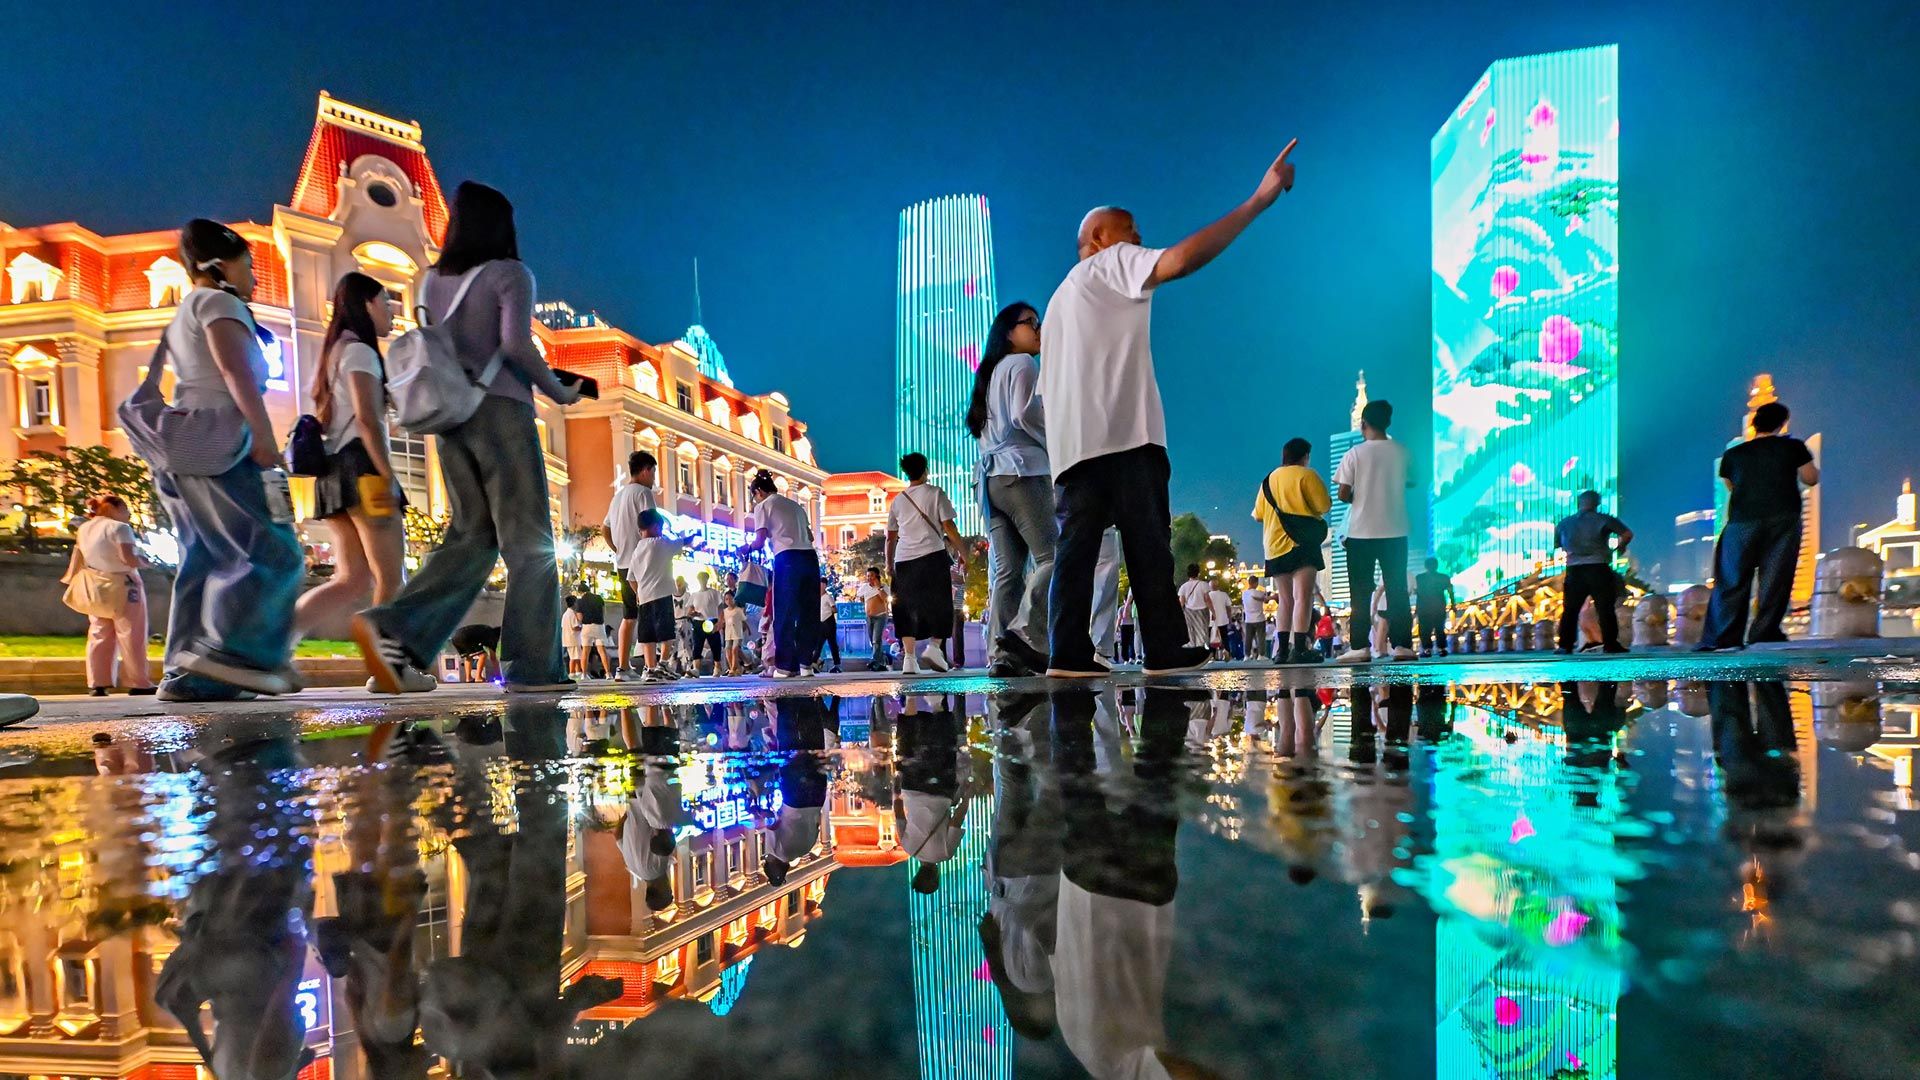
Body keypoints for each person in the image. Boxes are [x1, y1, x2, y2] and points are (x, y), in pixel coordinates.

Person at [1039, 141, 1297, 677]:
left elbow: (1046, 393)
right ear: (1098, 238)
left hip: (1073, 448)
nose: (1138, 238)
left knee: (1076, 550)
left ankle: (1066, 652)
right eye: (1129, 229)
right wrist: (1257, 201)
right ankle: (1162, 648)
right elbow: (1180, 260)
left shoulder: (1059, 300)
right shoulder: (1110, 263)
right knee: (1149, 546)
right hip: (1126, 435)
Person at [354, 182, 580, 694]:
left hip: (451, 417)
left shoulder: (431, 280)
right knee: (530, 544)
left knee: (472, 537)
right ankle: (533, 666)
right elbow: (515, 344)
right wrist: (558, 391)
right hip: (501, 412)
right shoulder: (511, 274)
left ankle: (396, 632)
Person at [143, 220, 306, 701]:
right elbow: (236, 372)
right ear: (219, 265)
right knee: (274, 551)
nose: (254, 277)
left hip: (183, 447)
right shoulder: (219, 302)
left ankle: (186, 672)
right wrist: (264, 435)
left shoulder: (186, 308)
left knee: (203, 558)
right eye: (248, 266)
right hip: (222, 443)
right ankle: (234, 656)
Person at [295, 272, 406, 647]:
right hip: (362, 470)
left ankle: (275, 641)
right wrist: (388, 475)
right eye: (386, 303)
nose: (392, 312)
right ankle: (387, 664)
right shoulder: (360, 352)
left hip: (333, 472)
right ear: (367, 305)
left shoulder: (335, 352)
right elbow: (367, 419)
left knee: (352, 579)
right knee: (391, 577)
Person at [967, 301, 1054, 676]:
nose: (1038, 329)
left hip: (990, 481)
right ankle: (1023, 634)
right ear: (1008, 332)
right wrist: (1055, 441)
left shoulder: (990, 373)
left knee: (1008, 571)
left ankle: (1000, 653)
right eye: (1030, 323)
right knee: (1054, 557)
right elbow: (1024, 413)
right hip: (1022, 471)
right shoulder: (1023, 363)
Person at [1700, 401, 1819, 650]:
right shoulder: (1793, 447)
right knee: (1775, 578)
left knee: (1731, 580)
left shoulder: (1734, 454)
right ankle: (1764, 633)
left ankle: (1723, 637)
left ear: (1754, 424)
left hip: (1741, 521)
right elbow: (1810, 478)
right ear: (1782, 423)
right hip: (1782, 518)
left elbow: (1731, 485)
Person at [1334, 400, 1415, 663]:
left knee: (1360, 591)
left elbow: (1343, 493)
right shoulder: (1402, 452)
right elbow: (1412, 481)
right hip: (1395, 529)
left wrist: (1362, 496)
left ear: (1363, 424)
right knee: (1397, 589)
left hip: (1361, 532)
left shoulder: (1354, 454)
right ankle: (1402, 646)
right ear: (1388, 422)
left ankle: (1360, 647)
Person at [63, 495, 156, 696]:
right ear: (115, 508)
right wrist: (145, 561)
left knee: (99, 633)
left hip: (96, 584)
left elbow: (78, 557)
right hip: (124, 584)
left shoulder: (84, 528)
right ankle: (139, 682)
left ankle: (98, 683)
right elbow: (128, 558)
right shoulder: (120, 528)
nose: (128, 514)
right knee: (132, 633)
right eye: (125, 509)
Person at [887, 453, 970, 676]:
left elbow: (890, 537)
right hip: (932, 555)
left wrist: (888, 564)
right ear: (925, 470)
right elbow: (949, 526)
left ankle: (909, 659)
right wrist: (964, 553)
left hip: (903, 560)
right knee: (940, 603)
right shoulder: (935, 493)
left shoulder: (898, 500)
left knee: (905, 608)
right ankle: (934, 647)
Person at [1252, 436, 1334, 665]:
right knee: (1303, 597)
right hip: (1302, 544)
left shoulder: (1267, 481)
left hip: (1274, 546)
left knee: (1285, 600)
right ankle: (1299, 649)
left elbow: (1258, 515)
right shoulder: (1307, 475)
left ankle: (1281, 652)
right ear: (1305, 456)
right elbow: (1324, 506)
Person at [740, 469, 823, 678]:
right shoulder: (796, 506)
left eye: (754, 496)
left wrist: (746, 548)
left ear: (758, 492)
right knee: (808, 612)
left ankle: (785, 667)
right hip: (809, 558)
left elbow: (759, 542)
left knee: (784, 612)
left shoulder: (763, 505)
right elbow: (810, 537)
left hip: (787, 558)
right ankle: (806, 664)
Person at [1554, 492, 1633, 655]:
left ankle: (1565, 645)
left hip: (1574, 569)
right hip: (1599, 567)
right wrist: (1620, 547)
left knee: (1570, 609)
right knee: (1605, 608)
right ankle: (1610, 644)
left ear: (1579, 503)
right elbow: (1627, 534)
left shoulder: (1564, 523)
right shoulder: (1604, 519)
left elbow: (1559, 546)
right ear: (1597, 503)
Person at [604, 451, 660, 678]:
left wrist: (617, 549)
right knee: (649, 613)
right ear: (645, 470)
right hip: (643, 563)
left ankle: (623, 667)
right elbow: (652, 525)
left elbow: (605, 528)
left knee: (629, 616)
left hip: (623, 563)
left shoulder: (618, 496)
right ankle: (651, 667)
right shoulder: (644, 493)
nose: (654, 478)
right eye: (653, 472)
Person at [623, 510, 690, 682]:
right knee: (667, 633)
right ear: (655, 527)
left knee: (648, 635)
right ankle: (663, 664)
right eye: (661, 527)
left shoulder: (637, 550)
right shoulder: (662, 543)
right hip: (662, 595)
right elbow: (683, 542)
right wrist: (693, 537)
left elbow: (631, 578)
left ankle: (650, 668)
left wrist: (638, 593)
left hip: (644, 599)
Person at [1413, 557, 1457, 657]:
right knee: (1439, 628)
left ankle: (1427, 650)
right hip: (1439, 606)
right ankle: (1442, 649)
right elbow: (1450, 592)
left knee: (1424, 629)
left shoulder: (1419, 578)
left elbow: (1416, 593)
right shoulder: (1444, 577)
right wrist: (1453, 605)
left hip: (1423, 607)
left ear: (1425, 566)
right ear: (1437, 565)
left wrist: (1416, 609)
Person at [685, 571, 724, 675]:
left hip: (711, 620)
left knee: (715, 645)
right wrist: (693, 613)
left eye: (704, 578)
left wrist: (720, 622)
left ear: (707, 579)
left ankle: (717, 667)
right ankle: (696, 669)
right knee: (697, 645)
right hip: (698, 622)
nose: (702, 580)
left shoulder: (714, 593)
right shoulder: (694, 595)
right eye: (700, 578)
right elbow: (689, 610)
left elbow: (721, 608)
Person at [858, 567, 891, 671]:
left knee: (876, 640)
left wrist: (878, 587)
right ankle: (882, 661)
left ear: (877, 576)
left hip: (880, 616)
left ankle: (874, 660)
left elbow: (886, 599)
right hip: (869, 617)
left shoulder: (884, 587)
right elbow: (861, 597)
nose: (869, 578)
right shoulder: (864, 587)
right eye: (868, 576)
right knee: (872, 640)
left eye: (871, 575)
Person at [575, 587, 612, 678]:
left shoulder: (580, 601)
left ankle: (584, 674)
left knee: (585, 651)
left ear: (580, 592)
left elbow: (579, 617)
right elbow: (604, 611)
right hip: (599, 626)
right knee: (602, 651)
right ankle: (608, 673)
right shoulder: (598, 598)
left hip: (587, 627)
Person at [1177, 565, 1211, 649]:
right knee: (1203, 631)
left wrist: (1178, 614)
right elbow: (1207, 599)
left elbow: (1181, 602)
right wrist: (1213, 612)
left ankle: (1192, 647)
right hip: (1202, 612)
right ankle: (1203, 648)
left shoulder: (1183, 586)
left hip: (1188, 612)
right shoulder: (1204, 585)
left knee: (1190, 630)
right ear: (1198, 573)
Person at [1241, 579, 1272, 662]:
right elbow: (1265, 600)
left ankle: (1247, 655)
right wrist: (1268, 595)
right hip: (1259, 618)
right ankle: (1261, 655)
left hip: (1248, 619)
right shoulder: (1258, 593)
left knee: (1248, 638)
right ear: (1256, 583)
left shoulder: (1244, 594)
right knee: (1261, 637)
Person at [816, 584, 843, 673]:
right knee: (819, 644)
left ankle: (837, 665)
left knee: (832, 644)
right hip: (821, 623)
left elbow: (834, 609)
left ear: (824, 585)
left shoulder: (828, 597)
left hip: (829, 622)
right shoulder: (817, 597)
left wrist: (828, 611)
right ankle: (815, 663)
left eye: (821, 584)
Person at [1205, 580, 1233, 661]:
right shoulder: (1224, 595)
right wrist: (1230, 618)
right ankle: (1227, 653)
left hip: (1211, 621)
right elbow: (1228, 608)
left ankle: (1212, 656)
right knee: (1225, 638)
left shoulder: (1207, 595)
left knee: (1211, 639)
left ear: (1210, 587)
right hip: (1223, 620)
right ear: (1218, 586)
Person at [723, 592, 749, 676]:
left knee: (735, 650)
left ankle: (733, 669)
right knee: (727, 650)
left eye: (731, 598)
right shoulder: (725, 611)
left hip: (737, 633)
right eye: (726, 599)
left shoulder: (738, 610)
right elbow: (722, 622)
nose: (729, 601)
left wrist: (748, 630)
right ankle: (734, 668)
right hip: (728, 634)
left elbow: (744, 621)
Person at [561, 596, 583, 678]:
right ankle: (572, 672)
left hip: (567, 638)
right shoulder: (572, 614)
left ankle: (578, 671)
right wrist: (582, 627)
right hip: (573, 638)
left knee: (576, 656)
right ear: (574, 603)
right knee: (574, 657)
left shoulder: (565, 614)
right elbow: (575, 627)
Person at [1117, 590, 1137, 665]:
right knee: (1131, 642)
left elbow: (1119, 618)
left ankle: (1126, 658)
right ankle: (1131, 657)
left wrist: (1117, 626)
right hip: (1131, 625)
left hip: (1124, 626)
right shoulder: (1132, 607)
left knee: (1124, 643)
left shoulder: (1121, 608)